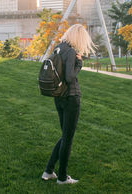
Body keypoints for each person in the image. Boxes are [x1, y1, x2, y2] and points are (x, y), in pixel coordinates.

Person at [41, 24, 95, 185]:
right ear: (78, 38)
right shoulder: (71, 51)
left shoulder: (58, 48)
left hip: (58, 96)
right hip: (71, 97)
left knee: (65, 135)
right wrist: (80, 64)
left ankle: (49, 171)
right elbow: (70, 77)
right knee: (68, 138)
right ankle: (62, 178)